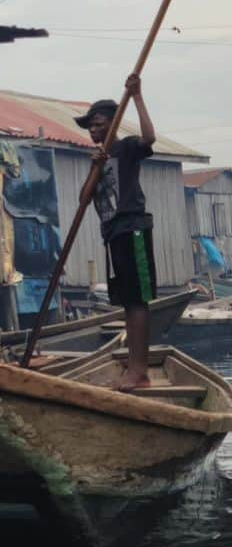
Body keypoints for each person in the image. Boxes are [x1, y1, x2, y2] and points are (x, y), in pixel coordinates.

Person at [75, 73, 157, 390]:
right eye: (91, 126)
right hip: (113, 235)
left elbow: (149, 137)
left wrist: (136, 96)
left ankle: (140, 372)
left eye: (99, 124)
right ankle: (135, 370)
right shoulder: (99, 158)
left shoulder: (125, 149)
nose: (94, 130)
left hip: (133, 227)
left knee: (138, 301)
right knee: (127, 302)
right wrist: (96, 167)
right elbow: (84, 200)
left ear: (113, 123)